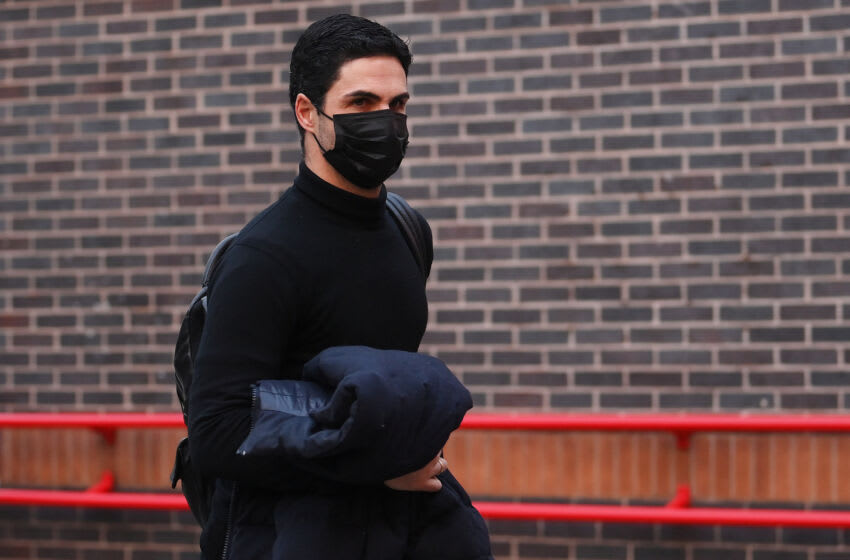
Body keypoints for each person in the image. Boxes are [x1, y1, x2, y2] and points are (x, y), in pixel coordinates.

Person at [187, 14, 492, 560]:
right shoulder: (264, 257)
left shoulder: (408, 229)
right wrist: (373, 467)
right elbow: (217, 433)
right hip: (289, 538)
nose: (386, 121)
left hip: (397, 530)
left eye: (398, 105)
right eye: (360, 103)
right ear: (308, 112)